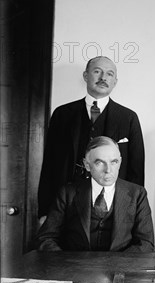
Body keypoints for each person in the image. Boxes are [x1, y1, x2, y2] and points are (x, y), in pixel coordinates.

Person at [38, 56, 145, 221]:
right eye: (97, 71)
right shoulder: (62, 114)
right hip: (66, 206)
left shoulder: (128, 118)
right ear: (85, 76)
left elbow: (136, 169)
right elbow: (49, 165)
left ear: (115, 81)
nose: (103, 78)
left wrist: (132, 214)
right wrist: (45, 211)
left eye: (109, 74)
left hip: (112, 208)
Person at [36, 136, 154, 252]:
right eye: (100, 163)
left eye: (114, 162)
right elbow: (46, 238)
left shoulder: (137, 194)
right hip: (76, 268)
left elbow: (145, 243)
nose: (108, 170)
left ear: (120, 162)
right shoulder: (68, 193)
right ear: (87, 165)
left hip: (119, 269)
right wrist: (67, 265)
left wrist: (118, 266)